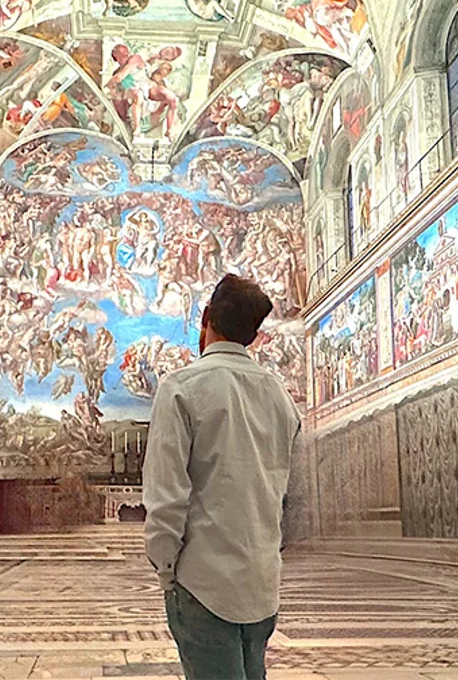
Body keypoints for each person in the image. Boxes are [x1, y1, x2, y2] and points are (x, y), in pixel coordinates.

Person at [143, 274, 302, 680]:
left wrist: (167, 571)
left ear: (206, 318)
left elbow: (166, 497)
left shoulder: (181, 388)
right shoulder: (280, 396)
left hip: (204, 585)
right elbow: (284, 491)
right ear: (254, 336)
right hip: (262, 586)